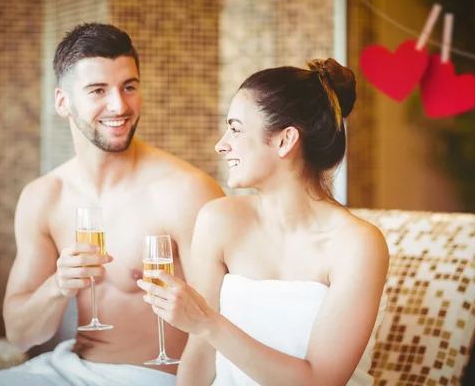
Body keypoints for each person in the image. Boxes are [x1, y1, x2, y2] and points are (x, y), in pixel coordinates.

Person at [0, 23, 224, 386]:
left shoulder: (185, 191)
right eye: (98, 90)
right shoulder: (44, 196)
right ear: (63, 102)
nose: (119, 105)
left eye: (129, 86)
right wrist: (58, 286)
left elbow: (215, 327)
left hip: (144, 376)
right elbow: (20, 334)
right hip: (63, 367)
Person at [137, 58, 390, 386]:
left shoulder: (357, 245)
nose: (221, 144)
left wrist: (208, 323)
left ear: (285, 141)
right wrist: (203, 329)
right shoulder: (219, 220)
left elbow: (321, 382)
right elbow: (198, 355)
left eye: (236, 128)